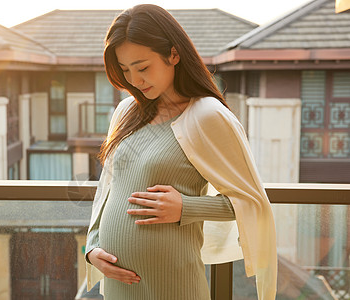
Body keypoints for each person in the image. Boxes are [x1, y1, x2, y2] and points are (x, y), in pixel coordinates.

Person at [85, 4, 277, 300]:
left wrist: (186, 208)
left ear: (173, 54)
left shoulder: (207, 116)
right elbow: (107, 189)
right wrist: (92, 249)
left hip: (172, 285)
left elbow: (250, 201)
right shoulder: (126, 111)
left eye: (143, 67)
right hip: (117, 283)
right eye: (125, 70)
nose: (134, 81)